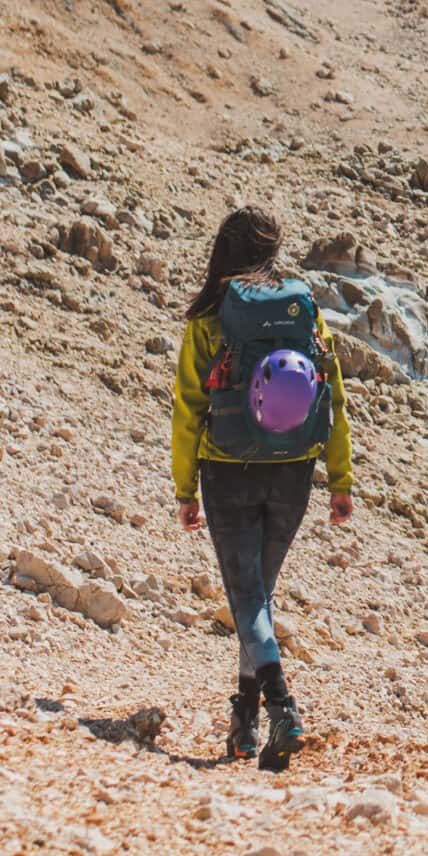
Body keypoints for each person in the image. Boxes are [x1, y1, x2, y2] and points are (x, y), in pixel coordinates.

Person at [170, 206, 355, 770]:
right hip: (294, 468)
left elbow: (187, 410)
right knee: (258, 597)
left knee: (248, 598)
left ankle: (282, 708)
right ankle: (244, 725)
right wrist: (340, 478)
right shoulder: (304, 313)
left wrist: (185, 489)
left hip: (227, 467)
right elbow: (334, 395)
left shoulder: (209, 320)